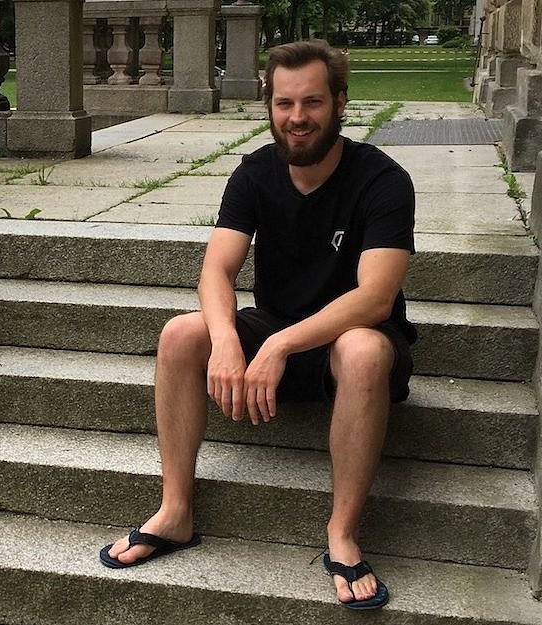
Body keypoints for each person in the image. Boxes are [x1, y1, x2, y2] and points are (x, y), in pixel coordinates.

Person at [99, 39, 415, 611]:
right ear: (268, 106)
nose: (298, 119)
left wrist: (279, 344)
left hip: (352, 341)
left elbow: (374, 298)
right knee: (180, 334)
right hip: (275, 325)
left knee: (364, 349)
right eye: (285, 104)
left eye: (313, 103)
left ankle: (341, 533)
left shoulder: (382, 179)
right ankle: (176, 511)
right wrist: (226, 340)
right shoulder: (253, 173)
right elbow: (216, 269)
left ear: (341, 103)